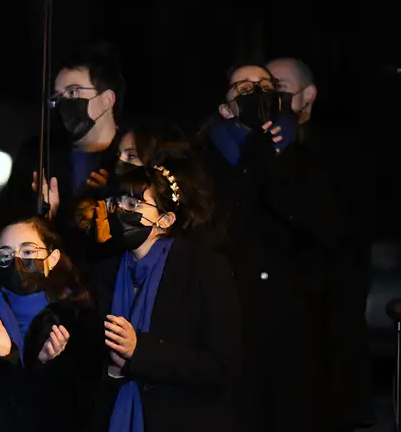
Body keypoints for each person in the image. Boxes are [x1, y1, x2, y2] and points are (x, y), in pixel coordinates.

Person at [201, 63, 341, 432]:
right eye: (243, 87)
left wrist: (271, 167)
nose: (256, 91)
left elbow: (321, 226)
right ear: (226, 108)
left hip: (290, 316)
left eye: (264, 84)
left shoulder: (306, 159)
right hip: (228, 310)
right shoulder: (204, 160)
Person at [90, 160, 240, 432]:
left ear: (166, 219)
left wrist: (140, 352)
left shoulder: (203, 268)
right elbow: (91, 364)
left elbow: (221, 364)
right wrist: (113, 370)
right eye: (117, 202)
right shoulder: (105, 271)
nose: (121, 210)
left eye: (134, 204)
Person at [267, 57, 372, 429]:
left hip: (326, 316)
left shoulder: (338, 150)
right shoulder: (258, 146)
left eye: (278, 88)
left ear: (307, 95)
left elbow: (337, 226)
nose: (270, 97)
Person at [0, 216, 103, 432]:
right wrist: (6, 359)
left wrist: (45, 365)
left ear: (52, 258)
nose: (17, 262)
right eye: (6, 255)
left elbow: (82, 409)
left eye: (28, 252)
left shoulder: (77, 319)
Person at [4, 43, 126, 268]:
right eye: (58, 97)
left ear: (108, 99)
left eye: (73, 92)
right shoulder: (37, 155)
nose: (65, 104)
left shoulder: (134, 155)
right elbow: (9, 223)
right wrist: (43, 219)